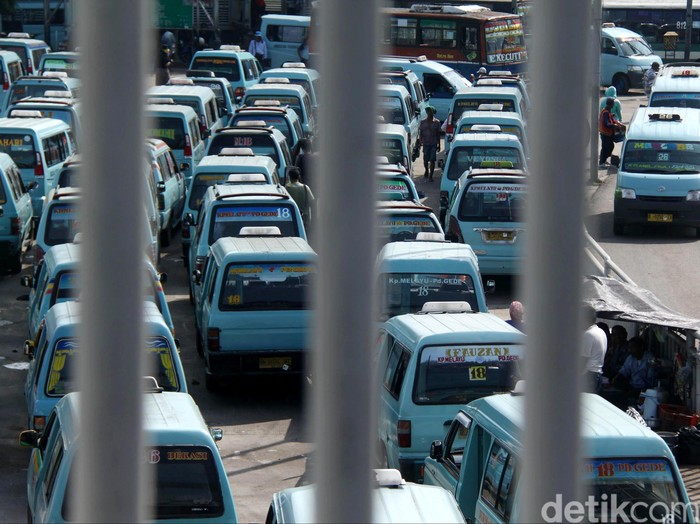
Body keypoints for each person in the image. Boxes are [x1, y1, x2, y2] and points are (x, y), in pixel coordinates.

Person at [581, 305, 607, 394]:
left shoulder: (588, 334)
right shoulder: (601, 332)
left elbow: (583, 359)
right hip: (597, 374)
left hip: (588, 375)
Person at [416, 106, 441, 181]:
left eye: (430, 112)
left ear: (433, 113)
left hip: (433, 143)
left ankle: (431, 176)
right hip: (426, 143)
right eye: (428, 112)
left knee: (432, 160)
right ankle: (426, 170)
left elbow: (438, 134)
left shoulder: (437, 122)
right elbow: (420, 133)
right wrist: (420, 141)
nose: (429, 114)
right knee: (425, 160)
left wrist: (439, 144)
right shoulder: (423, 122)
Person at [598, 97, 622, 169]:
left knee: (610, 146)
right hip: (605, 134)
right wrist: (614, 125)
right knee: (605, 148)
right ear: (611, 104)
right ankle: (602, 162)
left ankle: (604, 160)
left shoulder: (607, 111)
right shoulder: (605, 112)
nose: (613, 105)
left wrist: (614, 121)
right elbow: (606, 123)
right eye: (613, 104)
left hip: (608, 134)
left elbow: (610, 120)